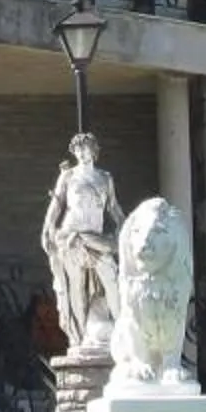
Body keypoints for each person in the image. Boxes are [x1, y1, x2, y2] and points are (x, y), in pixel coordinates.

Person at [39, 134, 123, 353]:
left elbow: (113, 208)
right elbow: (56, 207)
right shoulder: (68, 176)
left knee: (112, 279)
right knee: (76, 288)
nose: (82, 153)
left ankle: (123, 330)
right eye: (78, 150)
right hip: (72, 237)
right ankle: (81, 337)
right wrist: (47, 230)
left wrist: (125, 226)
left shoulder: (105, 178)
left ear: (94, 150)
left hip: (97, 238)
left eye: (86, 148)